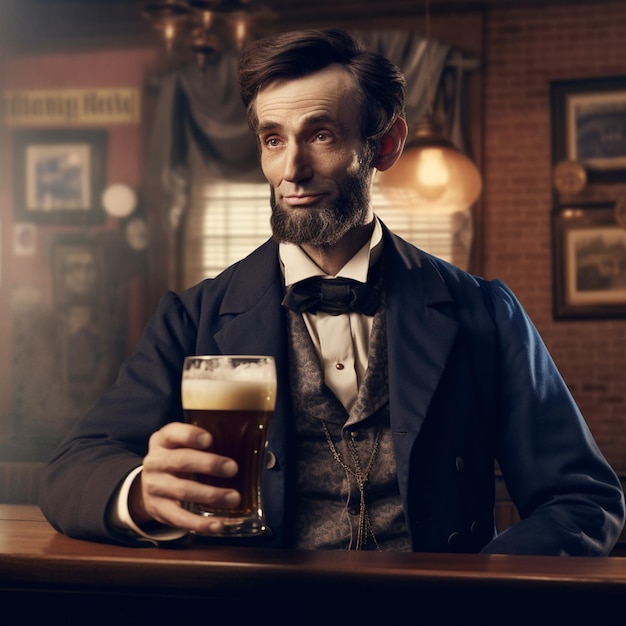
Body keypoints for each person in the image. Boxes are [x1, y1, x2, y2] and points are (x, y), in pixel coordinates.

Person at [39, 28, 624, 555]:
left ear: (386, 145)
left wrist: (482, 586)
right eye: (273, 140)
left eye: (320, 135)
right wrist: (141, 494)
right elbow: (72, 471)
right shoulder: (190, 316)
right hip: (245, 612)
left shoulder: (484, 312)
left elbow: (584, 498)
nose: (291, 169)